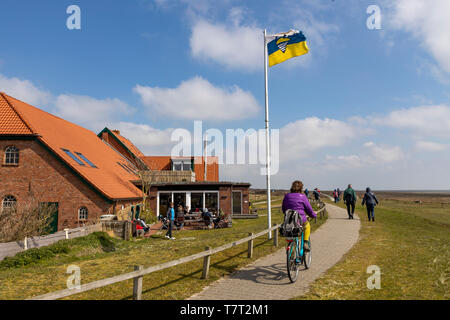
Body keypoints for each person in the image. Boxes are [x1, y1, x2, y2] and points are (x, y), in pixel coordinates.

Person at [282, 181, 317, 251]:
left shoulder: (286, 196)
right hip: (300, 220)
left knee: (292, 234)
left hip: (289, 220)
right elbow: (309, 209)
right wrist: (314, 215)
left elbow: (284, 209)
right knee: (307, 225)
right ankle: (305, 243)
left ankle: (291, 252)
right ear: (301, 188)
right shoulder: (303, 197)